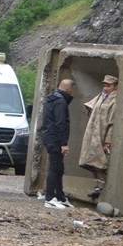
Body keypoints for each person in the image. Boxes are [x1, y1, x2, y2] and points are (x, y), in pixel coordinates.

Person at [80, 75, 118, 200]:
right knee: (91, 160)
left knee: (101, 161)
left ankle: (103, 188)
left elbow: (113, 122)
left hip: (102, 135)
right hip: (93, 133)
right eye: (104, 85)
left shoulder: (115, 99)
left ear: (115, 86)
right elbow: (90, 107)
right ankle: (98, 186)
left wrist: (108, 140)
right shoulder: (101, 96)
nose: (106, 88)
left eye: (109, 85)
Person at [40, 77, 75, 209]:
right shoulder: (61, 102)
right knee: (55, 169)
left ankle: (60, 197)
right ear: (70, 89)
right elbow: (60, 123)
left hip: (49, 136)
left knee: (59, 168)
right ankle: (49, 198)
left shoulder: (52, 98)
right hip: (55, 139)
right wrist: (64, 143)